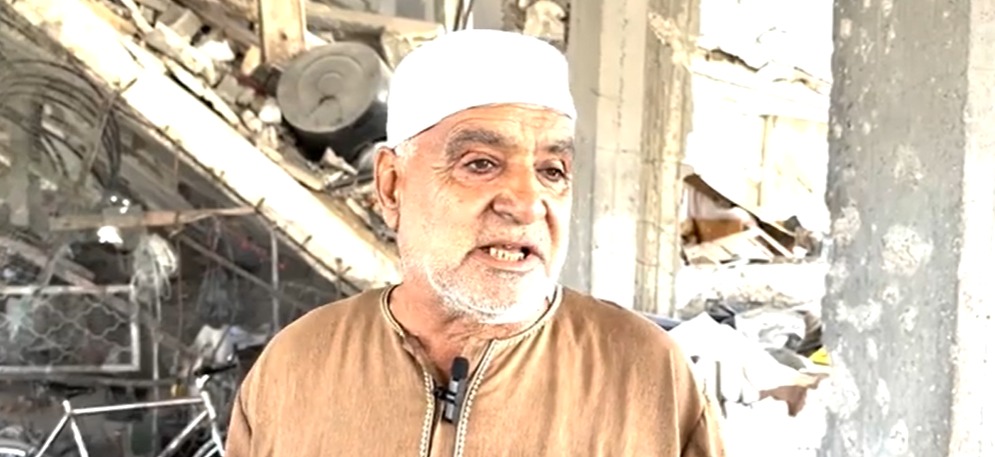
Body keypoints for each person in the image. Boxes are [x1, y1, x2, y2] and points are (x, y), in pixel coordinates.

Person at [225, 29, 726, 456]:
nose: (527, 204)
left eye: (553, 171)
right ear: (392, 186)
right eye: (481, 164)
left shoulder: (650, 377)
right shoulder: (295, 368)